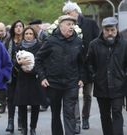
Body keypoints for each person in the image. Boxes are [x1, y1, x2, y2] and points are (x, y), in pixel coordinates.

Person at [35, 15, 84, 135]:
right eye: (68, 24)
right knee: (55, 114)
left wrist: (82, 78)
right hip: (53, 84)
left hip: (71, 84)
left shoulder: (78, 41)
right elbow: (38, 59)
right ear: (60, 25)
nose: (71, 27)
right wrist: (42, 77)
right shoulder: (51, 41)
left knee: (69, 113)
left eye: (73, 24)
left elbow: (82, 62)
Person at [62, 1, 100, 133]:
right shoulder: (66, 26)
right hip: (73, 65)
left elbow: (98, 42)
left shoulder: (91, 24)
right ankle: (76, 121)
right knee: (73, 95)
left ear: (75, 12)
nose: (67, 15)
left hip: (88, 64)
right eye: (65, 14)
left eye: (68, 12)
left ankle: (85, 118)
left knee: (87, 94)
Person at [87, 17, 126, 135]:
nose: (110, 33)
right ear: (102, 30)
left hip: (119, 85)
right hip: (101, 86)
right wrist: (95, 76)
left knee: (117, 112)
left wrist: (124, 76)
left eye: (112, 30)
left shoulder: (124, 44)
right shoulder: (94, 44)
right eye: (107, 30)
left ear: (117, 30)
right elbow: (89, 63)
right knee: (104, 115)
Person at [14, 26, 45, 135]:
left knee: (35, 105)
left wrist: (32, 70)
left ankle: (33, 128)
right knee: (22, 105)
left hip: (34, 79)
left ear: (34, 35)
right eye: (26, 33)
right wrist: (19, 64)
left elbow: (42, 62)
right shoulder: (18, 46)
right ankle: (24, 128)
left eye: (30, 34)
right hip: (22, 79)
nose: (28, 36)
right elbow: (14, 63)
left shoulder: (40, 46)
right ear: (24, 35)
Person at [5, 20, 24, 133]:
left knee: (21, 99)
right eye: (16, 26)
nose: (18, 28)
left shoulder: (26, 40)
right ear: (13, 28)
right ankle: (10, 121)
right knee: (10, 99)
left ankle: (21, 121)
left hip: (23, 75)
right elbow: (4, 57)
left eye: (20, 26)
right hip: (11, 75)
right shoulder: (8, 41)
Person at [0, 22, 11, 113]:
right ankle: (1, 105)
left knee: (6, 86)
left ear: (5, 30)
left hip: (7, 65)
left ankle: (5, 104)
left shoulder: (9, 39)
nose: (0, 33)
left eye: (2, 31)